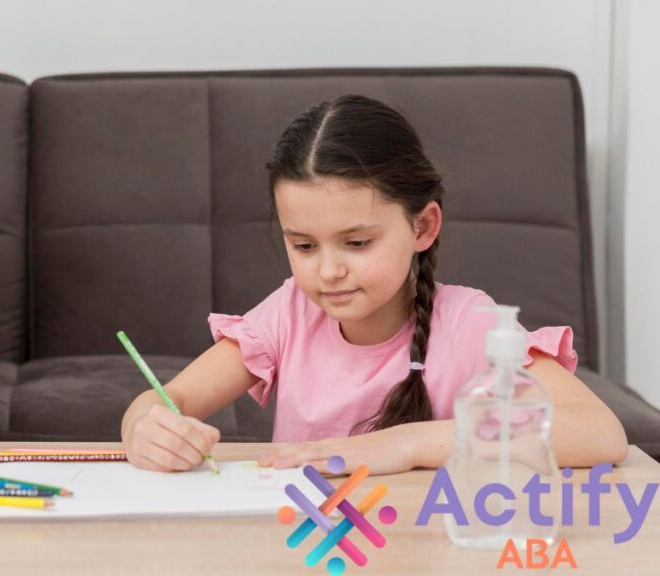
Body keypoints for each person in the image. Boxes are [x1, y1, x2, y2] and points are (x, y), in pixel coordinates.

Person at [121, 95, 628, 475]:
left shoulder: (468, 324)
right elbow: (168, 402)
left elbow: (599, 432)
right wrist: (146, 428)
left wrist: (404, 444)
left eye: (357, 243)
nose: (328, 271)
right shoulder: (288, 313)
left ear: (423, 227)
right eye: (303, 245)